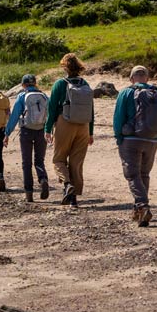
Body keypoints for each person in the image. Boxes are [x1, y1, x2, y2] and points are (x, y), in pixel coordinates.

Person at [112, 65, 157, 227]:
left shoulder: (126, 92)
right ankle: (138, 210)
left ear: (131, 78)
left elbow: (118, 117)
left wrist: (118, 137)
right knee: (144, 174)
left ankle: (143, 206)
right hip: (152, 140)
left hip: (130, 139)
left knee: (132, 175)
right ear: (147, 78)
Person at [44, 53, 94, 209]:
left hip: (65, 123)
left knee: (58, 159)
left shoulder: (60, 84)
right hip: (84, 126)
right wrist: (90, 132)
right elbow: (91, 110)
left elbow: (52, 108)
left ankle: (66, 184)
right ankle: (73, 200)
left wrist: (48, 128)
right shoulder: (85, 84)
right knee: (76, 162)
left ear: (64, 66)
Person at [4, 74, 50, 202]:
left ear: (23, 85)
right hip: (41, 131)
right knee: (39, 161)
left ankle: (29, 193)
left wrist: (7, 133)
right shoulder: (44, 96)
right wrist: (49, 131)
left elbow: (14, 117)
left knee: (26, 163)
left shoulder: (22, 96)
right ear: (35, 84)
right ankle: (43, 179)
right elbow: (50, 114)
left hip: (26, 132)